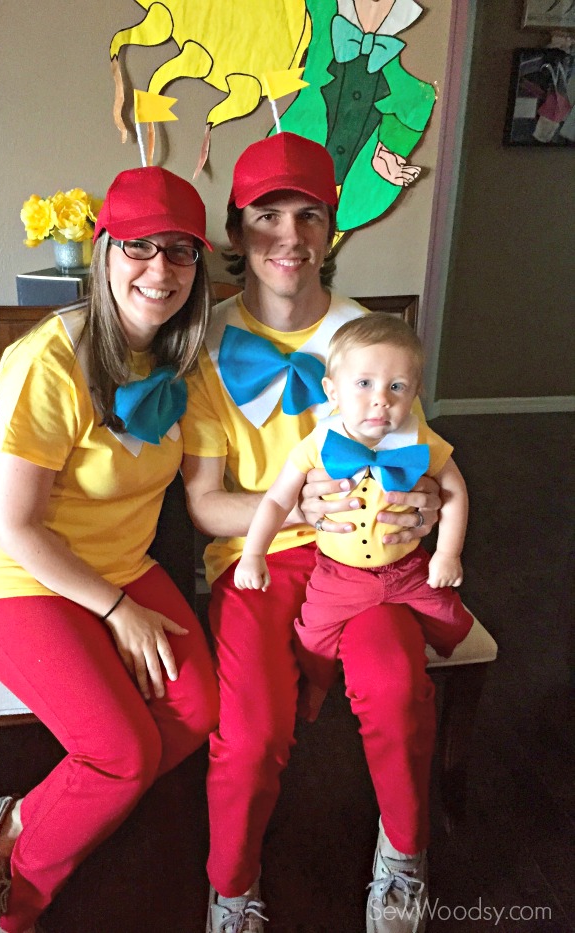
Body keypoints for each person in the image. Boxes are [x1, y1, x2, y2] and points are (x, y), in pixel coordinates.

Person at [181, 131, 446, 933]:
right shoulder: (209, 343)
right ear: (236, 233)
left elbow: (424, 470)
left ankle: (402, 858)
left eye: (308, 216)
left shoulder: (374, 338)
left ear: (330, 232)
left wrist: (427, 507)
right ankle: (232, 887)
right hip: (256, 561)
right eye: (267, 216)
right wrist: (296, 510)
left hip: (370, 566)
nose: (288, 236)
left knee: (398, 688)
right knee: (252, 731)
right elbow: (204, 501)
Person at [0, 165, 220, 933]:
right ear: (104, 250)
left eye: (180, 251)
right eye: (139, 247)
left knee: (200, 708)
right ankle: (20, 888)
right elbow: (16, 525)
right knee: (126, 753)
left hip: (122, 564)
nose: (160, 269)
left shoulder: (182, 357)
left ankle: (23, 819)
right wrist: (118, 611)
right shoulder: (51, 358)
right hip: (23, 576)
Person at [234, 313, 473, 725]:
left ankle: (438, 656)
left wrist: (447, 555)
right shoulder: (320, 441)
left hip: (407, 568)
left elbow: (455, 491)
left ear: (415, 392)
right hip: (338, 575)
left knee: (452, 620)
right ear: (332, 390)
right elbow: (275, 500)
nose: (382, 399)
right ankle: (318, 682)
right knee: (312, 637)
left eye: (397, 387)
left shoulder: (421, 439)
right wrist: (253, 553)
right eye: (364, 384)